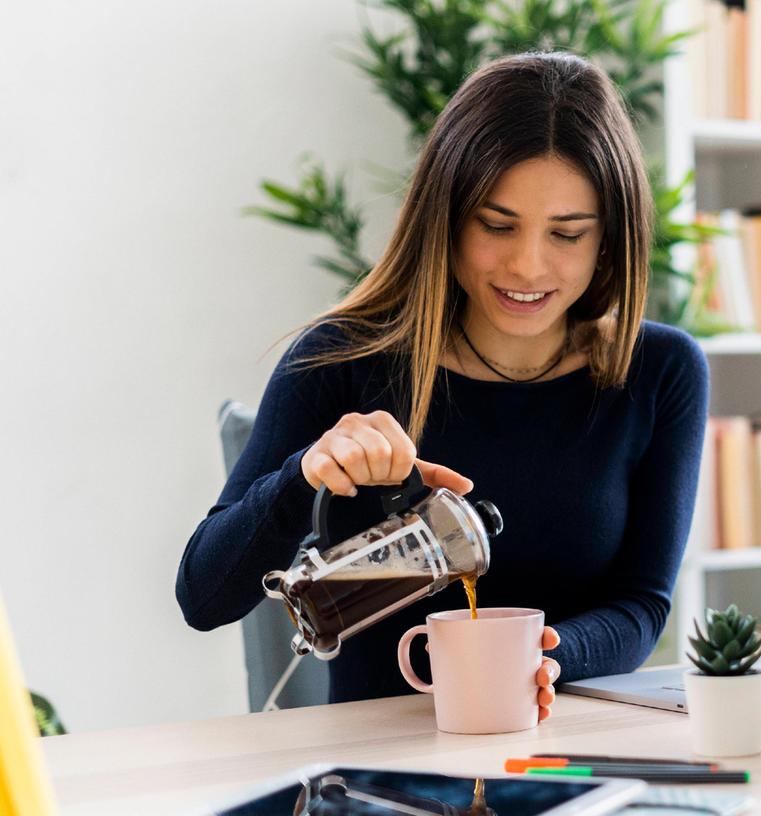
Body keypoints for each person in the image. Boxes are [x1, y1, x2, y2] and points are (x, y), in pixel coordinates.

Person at [176, 51, 710, 717]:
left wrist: (545, 653)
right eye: (496, 225)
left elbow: (640, 603)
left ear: (608, 240)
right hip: (376, 768)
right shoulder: (342, 358)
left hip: (561, 754)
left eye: (567, 234)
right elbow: (203, 598)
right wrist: (301, 477)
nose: (528, 265)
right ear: (446, 218)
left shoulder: (658, 371)